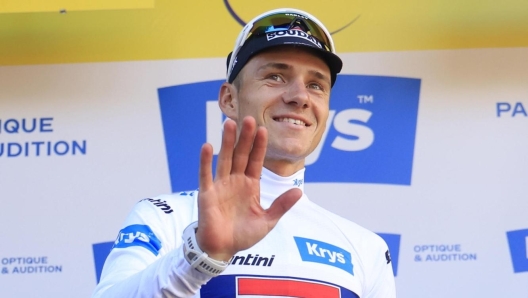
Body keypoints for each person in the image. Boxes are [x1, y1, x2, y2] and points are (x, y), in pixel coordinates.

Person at [92, 7, 396, 298]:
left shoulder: (365, 247)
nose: (299, 96)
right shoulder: (164, 217)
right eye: (275, 76)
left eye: (316, 84)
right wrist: (200, 258)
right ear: (229, 99)